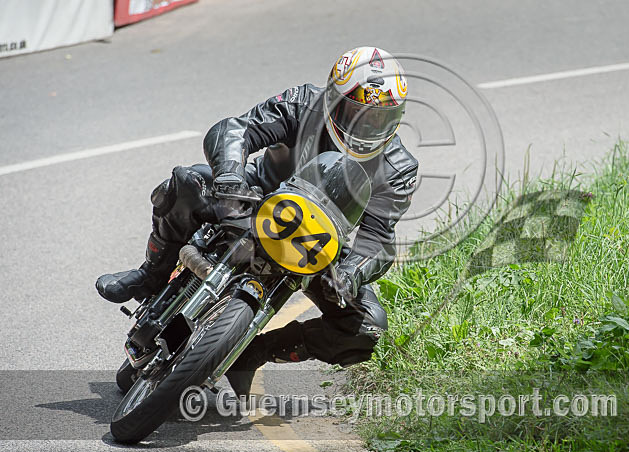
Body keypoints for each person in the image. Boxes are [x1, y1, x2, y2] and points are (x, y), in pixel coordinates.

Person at [96, 47, 418, 396]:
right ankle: (150, 275)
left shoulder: (399, 169)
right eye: (357, 114)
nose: (367, 127)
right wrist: (230, 177)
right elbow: (235, 129)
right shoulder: (303, 103)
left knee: (369, 326)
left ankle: (252, 353)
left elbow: (378, 238)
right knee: (185, 182)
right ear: (332, 98)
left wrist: (351, 272)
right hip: (254, 200)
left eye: (379, 118)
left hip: (317, 245)